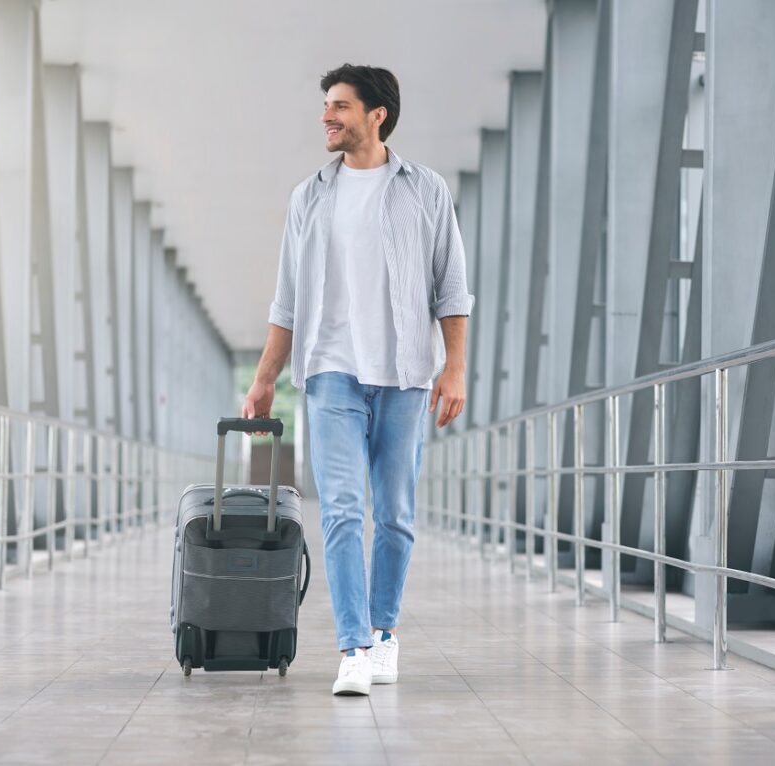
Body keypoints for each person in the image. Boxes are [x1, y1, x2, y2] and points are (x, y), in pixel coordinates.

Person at [242, 63, 473, 696]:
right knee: (343, 511)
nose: (327, 116)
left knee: (395, 515)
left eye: (340, 107)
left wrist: (453, 368)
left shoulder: (426, 190)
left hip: (403, 375)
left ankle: (385, 631)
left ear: (377, 116)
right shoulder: (309, 195)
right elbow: (287, 302)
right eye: (326, 105)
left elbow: (450, 289)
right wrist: (265, 380)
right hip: (331, 374)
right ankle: (354, 647)